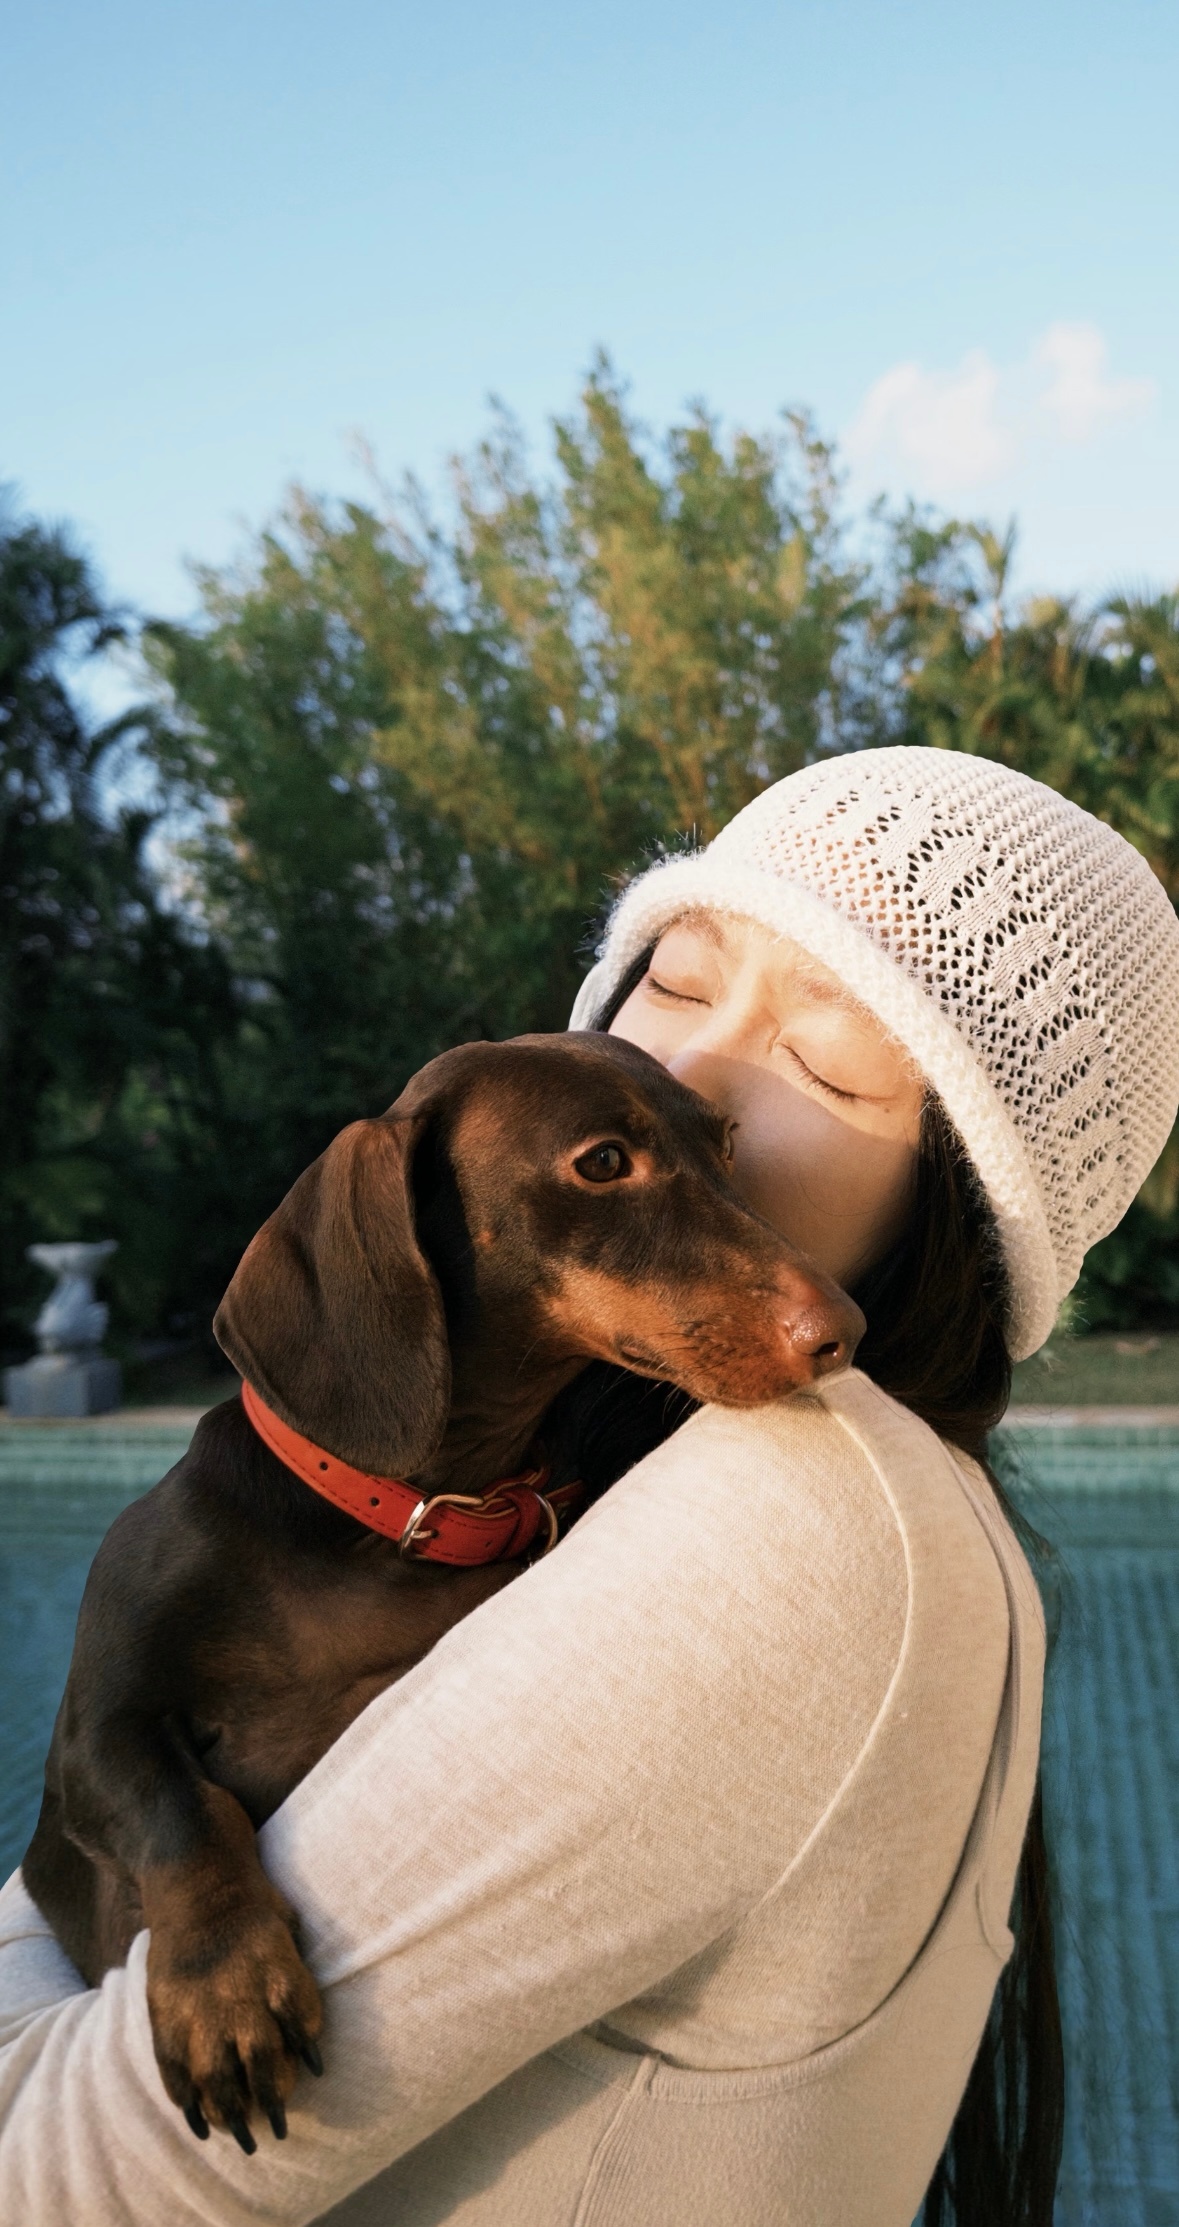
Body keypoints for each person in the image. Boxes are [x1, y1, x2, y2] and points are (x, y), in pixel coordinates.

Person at [1, 746, 1177, 2227]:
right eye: (677, 981)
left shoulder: (799, 1519)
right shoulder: (711, 1503)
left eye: (823, 1061)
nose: (692, 1072)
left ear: (955, 1200)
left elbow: (63, 2183)